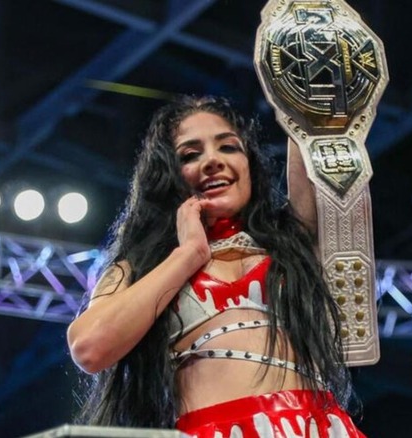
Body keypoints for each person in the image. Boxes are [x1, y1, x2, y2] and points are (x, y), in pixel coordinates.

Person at [67, 95, 366, 437]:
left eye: (228, 147)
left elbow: (314, 132)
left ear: (250, 163)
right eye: (190, 155)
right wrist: (189, 254)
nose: (212, 161)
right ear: (168, 176)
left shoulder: (293, 244)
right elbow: (89, 348)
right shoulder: (137, 268)